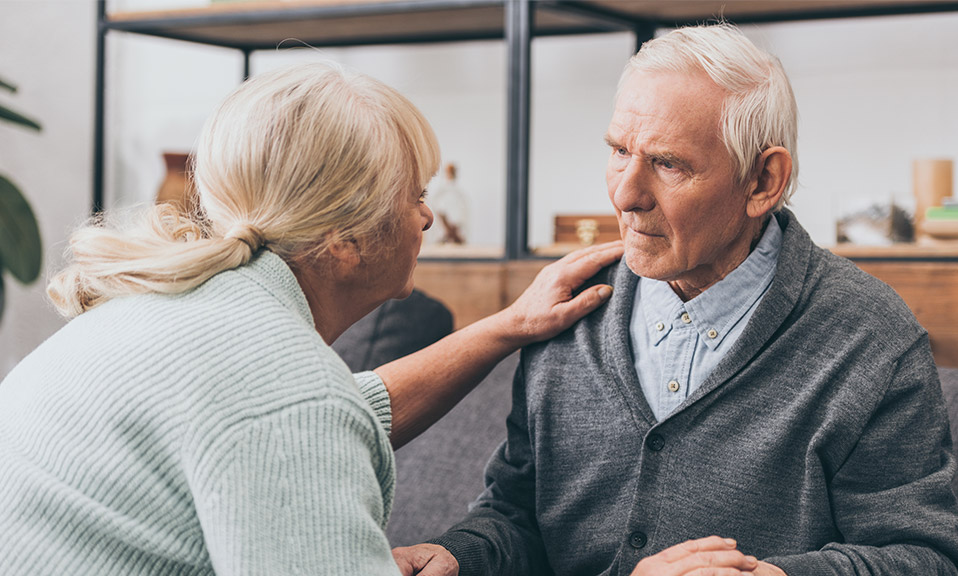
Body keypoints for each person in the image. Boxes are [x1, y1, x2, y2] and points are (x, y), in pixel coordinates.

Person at [392, 23, 958, 576]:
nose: (625, 194)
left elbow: (925, 560)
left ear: (763, 182)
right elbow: (517, 516)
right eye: (619, 150)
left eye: (668, 164)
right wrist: (459, 556)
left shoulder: (870, 338)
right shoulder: (567, 309)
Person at [0, 62, 623, 575]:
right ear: (345, 241)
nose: (428, 219)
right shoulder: (285, 395)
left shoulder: (174, 312)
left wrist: (507, 325)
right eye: (415, 196)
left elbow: (339, 409)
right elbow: (297, 415)